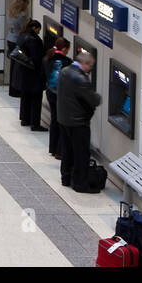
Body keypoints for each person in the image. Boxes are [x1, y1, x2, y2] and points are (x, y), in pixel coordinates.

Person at [58, 50, 102, 192]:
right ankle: (80, 184)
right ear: (85, 63)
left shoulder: (64, 71)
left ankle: (65, 178)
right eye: (90, 66)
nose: (91, 69)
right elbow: (94, 100)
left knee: (67, 150)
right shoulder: (81, 79)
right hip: (78, 122)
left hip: (63, 119)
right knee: (81, 154)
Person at [44, 36, 72, 160]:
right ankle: (60, 151)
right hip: (62, 95)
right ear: (65, 48)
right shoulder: (67, 62)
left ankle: (53, 148)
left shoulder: (48, 58)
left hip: (50, 92)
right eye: (68, 49)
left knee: (54, 119)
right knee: (62, 122)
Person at [16, 20, 47, 131]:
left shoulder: (22, 35)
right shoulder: (34, 40)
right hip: (33, 74)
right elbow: (37, 59)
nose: (39, 31)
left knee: (25, 96)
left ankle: (25, 119)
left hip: (24, 71)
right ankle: (35, 124)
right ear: (34, 27)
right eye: (39, 29)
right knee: (36, 98)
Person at [6, 0, 31, 99]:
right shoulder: (22, 16)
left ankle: (12, 89)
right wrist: (27, 23)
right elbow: (22, 29)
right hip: (17, 41)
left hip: (10, 38)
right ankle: (17, 90)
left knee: (13, 65)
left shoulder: (11, 13)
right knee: (18, 67)